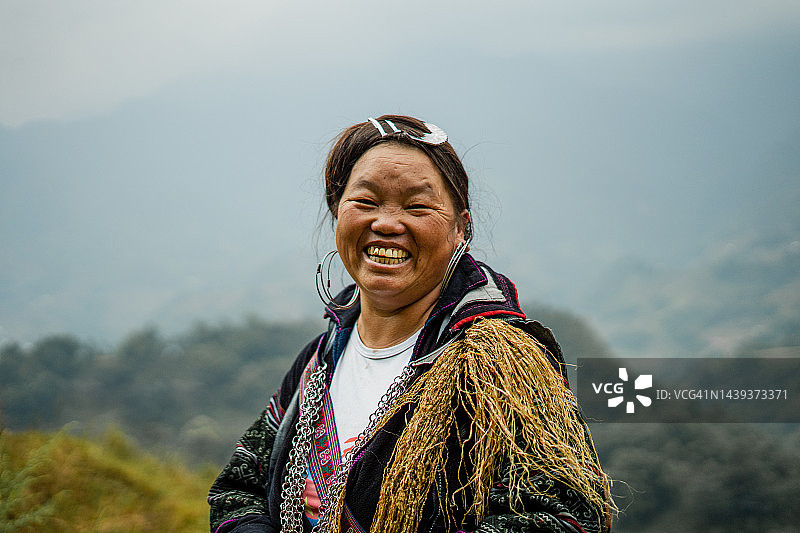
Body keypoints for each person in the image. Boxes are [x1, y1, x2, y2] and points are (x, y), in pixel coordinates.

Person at [208, 115, 613, 533]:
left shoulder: (500, 368)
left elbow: (567, 517)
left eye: (417, 206)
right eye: (365, 202)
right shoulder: (319, 361)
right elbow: (238, 488)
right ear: (337, 214)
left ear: (461, 228)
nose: (386, 224)